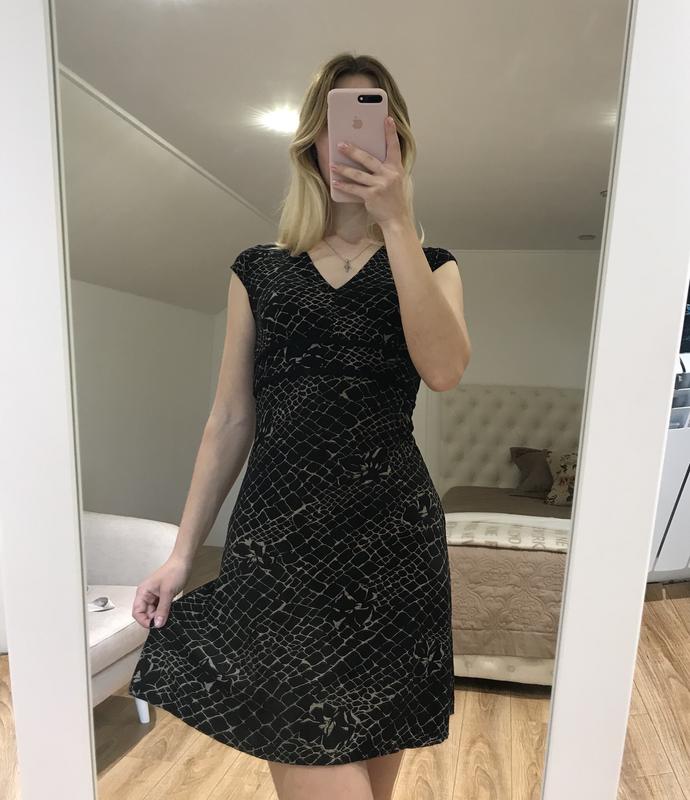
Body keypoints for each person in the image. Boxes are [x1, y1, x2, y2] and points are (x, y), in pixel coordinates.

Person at [128, 52, 471, 800]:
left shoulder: (433, 265)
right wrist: (182, 554)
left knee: (373, 777)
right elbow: (229, 418)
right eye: (336, 120)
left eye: (372, 119)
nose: (351, 138)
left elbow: (444, 369)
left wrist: (397, 221)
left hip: (393, 547)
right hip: (278, 549)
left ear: (397, 140)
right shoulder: (259, 270)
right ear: (312, 139)